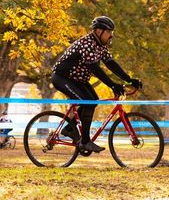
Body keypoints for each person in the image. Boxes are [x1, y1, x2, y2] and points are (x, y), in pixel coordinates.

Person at [50, 15, 142, 155]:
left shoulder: (100, 46)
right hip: (62, 78)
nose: (111, 35)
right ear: (99, 31)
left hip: (78, 80)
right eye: (109, 32)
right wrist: (112, 85)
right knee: (88, 103)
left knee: (93, 101)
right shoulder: (86, 44)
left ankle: (69, 129)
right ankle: (85, 141)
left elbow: (111, 64)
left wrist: (129, 80)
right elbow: (95, 69)